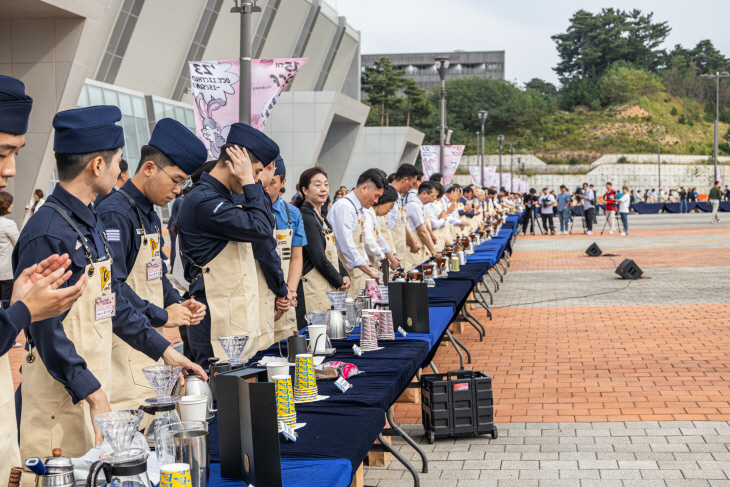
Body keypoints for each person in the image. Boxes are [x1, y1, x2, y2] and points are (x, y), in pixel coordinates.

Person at [14, 105, 203, 466]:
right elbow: (46, 330)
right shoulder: (48, 232)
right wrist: (92, 392)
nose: (121, 171)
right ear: (97, 165)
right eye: (118, 161)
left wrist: (163, 350)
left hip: (91, 387)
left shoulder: (87, 223)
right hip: (61, 398)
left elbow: (112, 301)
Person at [96, 118, 208, 413]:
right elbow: (112, 288)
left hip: (150, 343)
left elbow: (156, 274)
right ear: (148, 168)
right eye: (175, 180)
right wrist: (161, 314)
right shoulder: (114, 214)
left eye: (185, 184)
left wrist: (179, 303)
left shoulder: (150, 215)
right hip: (123, 346)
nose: (179, 191)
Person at [177, 123, 276, 367]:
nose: (256, 180)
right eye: (255, 172)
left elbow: (267, 222)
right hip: (215, 323)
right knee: (224, 399)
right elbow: (261, 229)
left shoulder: (221, 197)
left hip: (233, 321)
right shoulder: (204, 200)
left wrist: (250, 183)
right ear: (235, 163)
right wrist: (249, 183)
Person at [294, 167, 349, 324]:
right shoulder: (306, 217)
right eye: (317, 185)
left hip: (326, 287)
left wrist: (344, 274)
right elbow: (319, 258)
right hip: (313, 289)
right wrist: (339, 281)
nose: (323, 188)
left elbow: (331, 253)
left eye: (325, 184)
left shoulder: (321, 218)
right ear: (304, 190)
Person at [266, 155, 307, 342]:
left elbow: (296, 257)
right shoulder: (245, 210)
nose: (266, 186)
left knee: (284, 345)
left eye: (272, 182)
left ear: (283, 183)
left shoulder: (292, 214)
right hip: (260, 291)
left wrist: (289, 292)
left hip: (285, 296)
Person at [327, 169, 385, 297]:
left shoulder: (358, 209)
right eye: (376, 196)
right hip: (343, 272)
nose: (376, 201)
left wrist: (368, 265)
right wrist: (368, 270)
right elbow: (346, 244)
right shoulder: (345, 207)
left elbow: (360, 243)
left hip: (355, 270)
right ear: (364, 188)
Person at [385, 164, 419, 268]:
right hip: (391, 255)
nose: (412, 187)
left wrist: (412, 242)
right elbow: (385, 229)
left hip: (398, 254)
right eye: (412, 183)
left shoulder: (399, 198)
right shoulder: (389, 197)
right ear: (405, 180)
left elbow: (401, 225)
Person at [403, 181, 440, 271]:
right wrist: (433, 250)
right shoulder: (414, 206)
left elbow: (424, 225)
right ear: (424, 193)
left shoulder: (420, 206)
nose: (433, 199)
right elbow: (422, 231)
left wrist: (432, 237)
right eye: (432, 196)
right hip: (413, 247)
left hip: (417, 247)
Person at [364, 186, 399, 269]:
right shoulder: (367, 213)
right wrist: (384, 259)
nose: (390, 210)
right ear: (383, 200)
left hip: (373, 261)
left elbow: (380, 239)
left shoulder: (376, 216)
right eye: (390, 205)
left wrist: (390, 257)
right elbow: (368, 241)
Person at [0, 192, 18, 302]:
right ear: (6, 206)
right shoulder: (8, 224)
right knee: (5, 304)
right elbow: (19, 245)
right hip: (5, 273)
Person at [168, 191, 184, 270]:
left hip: (172, 225)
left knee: (174, 246)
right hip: (174, 227)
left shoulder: (178, 199)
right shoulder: (180, 200)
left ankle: (172, 266)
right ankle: (173, 266)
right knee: (175, 247)